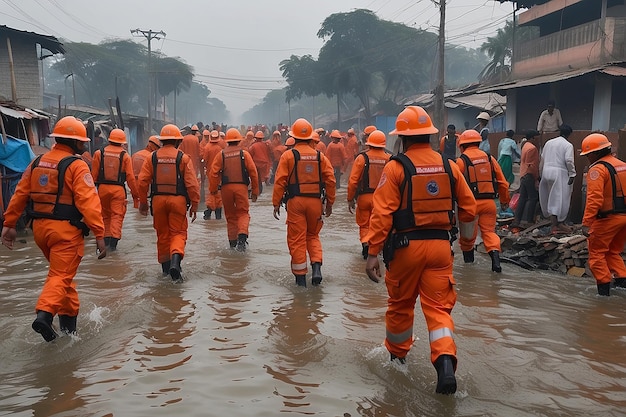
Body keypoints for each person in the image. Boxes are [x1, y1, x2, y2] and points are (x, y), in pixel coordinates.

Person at [365, 106, 476, 395]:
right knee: (439, 310)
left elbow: (382, 214)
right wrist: (466, 245)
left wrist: (372, 252)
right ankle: (445, 365)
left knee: (401, 306)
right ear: (430, 134)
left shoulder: (396, 167)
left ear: (401, 136)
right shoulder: (450, 166)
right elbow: (469, 210)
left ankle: (397, 361)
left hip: (405, 250)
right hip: (441, 249)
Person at [1, 116, 107, 341]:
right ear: (77, 143)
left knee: (64, 279)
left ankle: (69, 333)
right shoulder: (77, 166)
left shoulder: (37, 162)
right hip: (65, 233)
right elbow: (89, 202)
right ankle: (45, 315)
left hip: (40, 231)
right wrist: (99, 233)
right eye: (82, 142)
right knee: (60, 275)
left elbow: (20, 194)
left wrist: (9, 224)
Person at [272, 118, 336, 287]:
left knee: (297, 240)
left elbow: (280, 181)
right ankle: (316, 267)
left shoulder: (288, 156)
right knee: (313, 236)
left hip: (296, 203)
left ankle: (301, 281)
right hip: (315, 202)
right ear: (310, 137)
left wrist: (276, 203)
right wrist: (329, 203)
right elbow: (331, 181)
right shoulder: (320, 157)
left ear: (293, 136)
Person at [137, 124, 200, 280]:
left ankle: (166, 271)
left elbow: (142, 182)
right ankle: (175, 263)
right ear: (178, 141)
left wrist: (143, 202)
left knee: (162, 235)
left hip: (158, 201)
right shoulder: (183, 158)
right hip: (178, 201)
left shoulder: (151, 158)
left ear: (162, 141)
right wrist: (195, 204)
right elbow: (192, 184)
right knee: (178, 233)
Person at [455, 129, 510, 273]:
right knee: (489, 234)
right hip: (489, 204)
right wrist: (504, 201)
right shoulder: (489, 158)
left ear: (461, 146)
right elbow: (503, 183)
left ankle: (468, 268)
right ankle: (496, 262)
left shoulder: (461, 161)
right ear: (478, 143)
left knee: (467, 239)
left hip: (469, 206)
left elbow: (453, 184)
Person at [580, 133, 626, 296]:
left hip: (608, 219)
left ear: (595, 153)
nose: (587, 158)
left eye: (587, 155)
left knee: (597, 254)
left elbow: (594, 199)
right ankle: (622, 283)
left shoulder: (597, 169)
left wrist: (587, 222)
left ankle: (603, 293)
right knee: (613, 252)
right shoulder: (622, 165)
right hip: (623, 219)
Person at [208, 128, 259, 251]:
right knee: (243, 213)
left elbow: (213, 173)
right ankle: (242, 237)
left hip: (226, 189)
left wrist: (213, 190)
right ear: (239, 141)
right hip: (241, 188)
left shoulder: (221, 155)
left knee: (230, 216)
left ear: (227, 141)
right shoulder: (244, 154)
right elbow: (253, 173)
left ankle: (232, 244)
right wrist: (255, 191)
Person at [91, 128, 139, 251]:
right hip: (118, 190)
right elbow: (130, 178)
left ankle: (106, 242)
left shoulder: (99, 153)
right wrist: (135, 195)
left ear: (110, 139)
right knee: (117, 216)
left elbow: (93, 176)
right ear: (123, 142)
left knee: (105, 216)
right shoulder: (125, 156)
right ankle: (113, 245)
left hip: (102, 189)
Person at [347, 130, 391, 259]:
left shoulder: (362, 158)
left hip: (364, 197)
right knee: (378, 224)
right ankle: (376, 247)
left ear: (369, 143)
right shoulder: (389, 159)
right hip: (382, 199)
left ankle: (366, 243)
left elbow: (353, 181)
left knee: (364, 224)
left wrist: (350, 199)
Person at [539, 124, 576, 233]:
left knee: (550, 196)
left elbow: (542, 159)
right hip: (559, 172)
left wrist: (541, 174)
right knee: (560, 199)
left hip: (546, 171)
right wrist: (572, 174)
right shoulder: (568, 145)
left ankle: (553, 222)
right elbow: (569, 161)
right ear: (569, 134)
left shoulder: (549, 143)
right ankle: (557, 224)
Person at [510, 130, 541, 230]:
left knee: (523, 198)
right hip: (529, 175)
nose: (538, 140)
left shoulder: (525, 146)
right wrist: (536, 177)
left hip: (523, 175)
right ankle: (529, 221)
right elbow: (531, 166)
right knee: (533, 198)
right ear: (532, 138)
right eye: (537, 138)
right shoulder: (533, 148)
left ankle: (517, 220)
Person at [202, 130, 224, 220]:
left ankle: (208, 213)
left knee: (211, 192)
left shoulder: (207, 147)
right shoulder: (220, 148)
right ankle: (217, 214)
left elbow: (204, 160)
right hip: (220, 174)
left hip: (210, 174)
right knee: (218, 193)